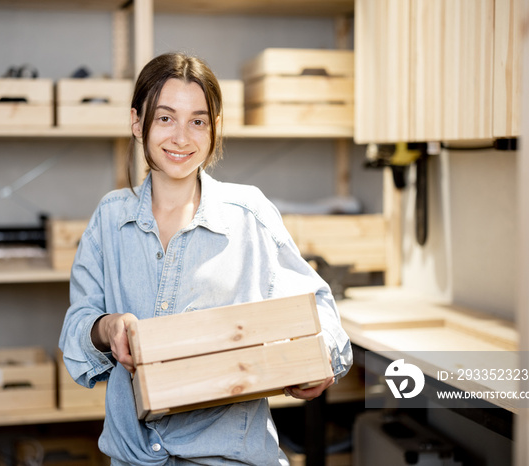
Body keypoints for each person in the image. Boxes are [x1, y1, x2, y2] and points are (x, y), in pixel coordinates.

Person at [59, 52, 352, 465]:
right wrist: (106, 328)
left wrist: (321, 361)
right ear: (136, 122)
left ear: (214, 129)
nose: (182, 137)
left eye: (198, 121)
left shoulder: (248, 214)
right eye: (165, 118)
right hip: (132, 458)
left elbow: (322, 315)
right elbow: (75, 333)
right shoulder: (110, 218)